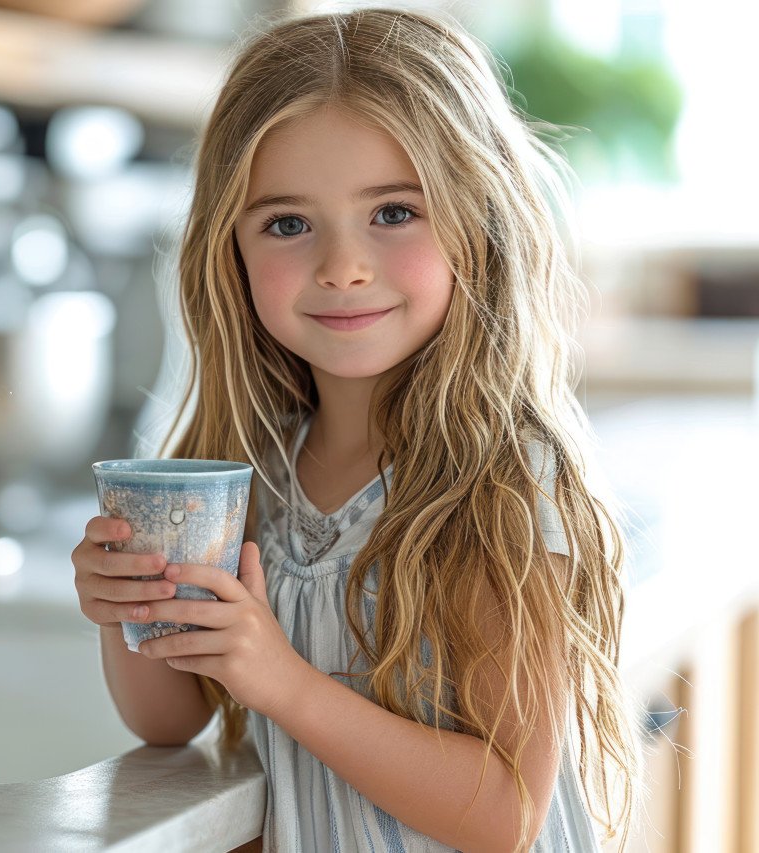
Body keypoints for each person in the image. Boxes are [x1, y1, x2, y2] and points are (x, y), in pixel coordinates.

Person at [71, 6, 644, 852]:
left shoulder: (499, 484)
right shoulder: (257, 473)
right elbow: (168, 722)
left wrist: (282, 681)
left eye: (393, 212)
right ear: (230, 250)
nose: (342, 265)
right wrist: (125, 612)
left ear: (475, 222)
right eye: (289, 224)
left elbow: (507, 810)